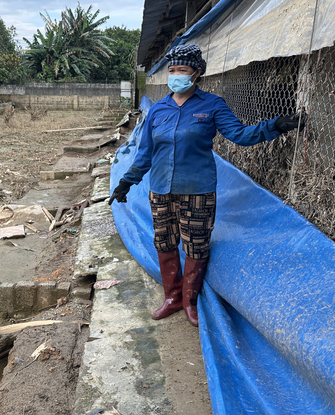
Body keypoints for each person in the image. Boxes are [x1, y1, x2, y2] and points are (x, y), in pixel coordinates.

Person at [108, 44, 305, 327]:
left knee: (197, 246)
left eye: (182, 70)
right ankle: (171, 297)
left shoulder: (212, 105)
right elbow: (145, 153)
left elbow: (241, 135)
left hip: (198, 190)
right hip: (160, 190)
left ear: (197, 73)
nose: (175, 75)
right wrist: (126, 182)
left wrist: (276, 125)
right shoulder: (159, 110)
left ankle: (189, 301)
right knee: (164, 242)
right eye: (172, 70)